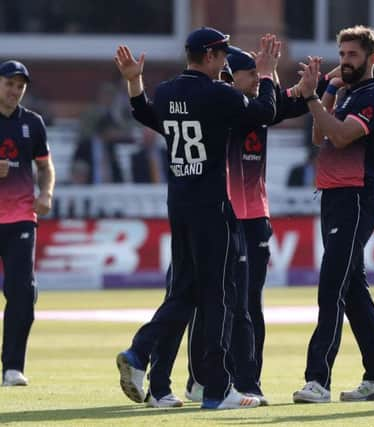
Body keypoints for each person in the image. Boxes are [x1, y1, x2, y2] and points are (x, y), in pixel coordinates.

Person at [113, 27, 279, 410]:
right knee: (219, 295)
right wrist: (267, 74)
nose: (225, 61)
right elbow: (264, 113)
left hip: (180, 204)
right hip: (212, 208)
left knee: (186, 290)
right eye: (221, 53)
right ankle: (218, 391)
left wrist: (135, 83)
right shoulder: (219, 94)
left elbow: (145, 114)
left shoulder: (169, 91)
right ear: (207, 55)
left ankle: (140, 353)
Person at [172, 48, 311, 406]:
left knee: (249, 303)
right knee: (212, 301)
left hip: (254, 219)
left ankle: (247, 381)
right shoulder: (220, 106)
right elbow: (272, 104)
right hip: (219, 216)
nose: (256, 79)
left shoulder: (257, 104)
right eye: (250, 74)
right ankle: (200, 380)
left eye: (256, 74)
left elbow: (284, 104)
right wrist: (273, 81)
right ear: (231, 77)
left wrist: (318, 87)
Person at [291, 26, 374, 403]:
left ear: (371, 58)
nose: (345, 62)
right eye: (341, 55)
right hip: (333, 197)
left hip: (355, 198)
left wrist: (311, 98)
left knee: (331, 287)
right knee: (352, 291)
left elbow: (337, 136)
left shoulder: (373, 97)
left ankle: (317, 380)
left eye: (352, 55)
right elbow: (317, 137)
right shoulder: (347, 93)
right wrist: (327, 91)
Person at [0, 60, 55, 386]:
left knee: (23, 292)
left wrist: (46, 193)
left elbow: (46, 168)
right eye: (9, 84)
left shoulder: (32, 123)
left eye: (20, 86)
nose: (14, 91)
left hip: (21, 218)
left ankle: (12, 368)